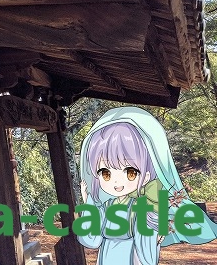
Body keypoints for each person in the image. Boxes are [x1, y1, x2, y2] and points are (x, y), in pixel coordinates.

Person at [78, 106, 217, 264]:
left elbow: (146, 244)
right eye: (105, 173)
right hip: (106, 257)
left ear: (146, 176)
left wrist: (157, 228)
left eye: (130, 172)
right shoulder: (107, 206)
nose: (116, 181)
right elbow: (91, 240)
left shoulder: (142, 205)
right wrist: (89, 203)